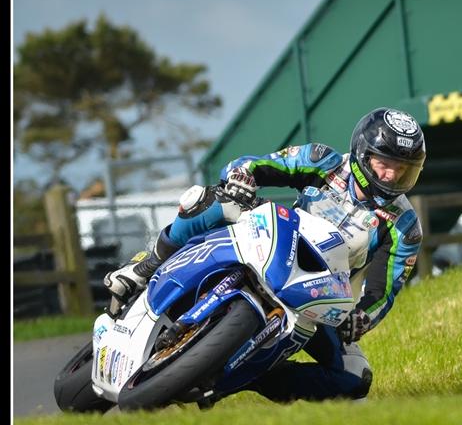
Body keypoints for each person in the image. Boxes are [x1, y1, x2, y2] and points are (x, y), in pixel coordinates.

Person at [104, 107, 426, 402]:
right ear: (362, 155)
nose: (391, 177)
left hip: (315, 294)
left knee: (356, 378)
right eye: (385, 165)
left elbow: (382, 293)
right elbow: (258, 165)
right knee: (213, 199)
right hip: (275, 242)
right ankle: (145, 268)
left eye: (402, 171)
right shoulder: (323, 161)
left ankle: (255, 376)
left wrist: (361, 320)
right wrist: (242, 176)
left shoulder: (404, 226)